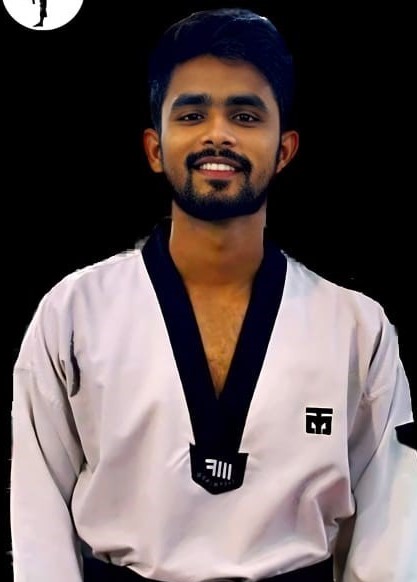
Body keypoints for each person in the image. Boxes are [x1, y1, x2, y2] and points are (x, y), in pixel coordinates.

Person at [10, 7, 416, 582]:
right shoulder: (73, 312)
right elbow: (37, 511)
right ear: (155, 148)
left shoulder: (356, 326)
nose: (217, 134)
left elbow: (389, 526)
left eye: (245, 115)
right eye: (192, 113)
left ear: (284, 149)